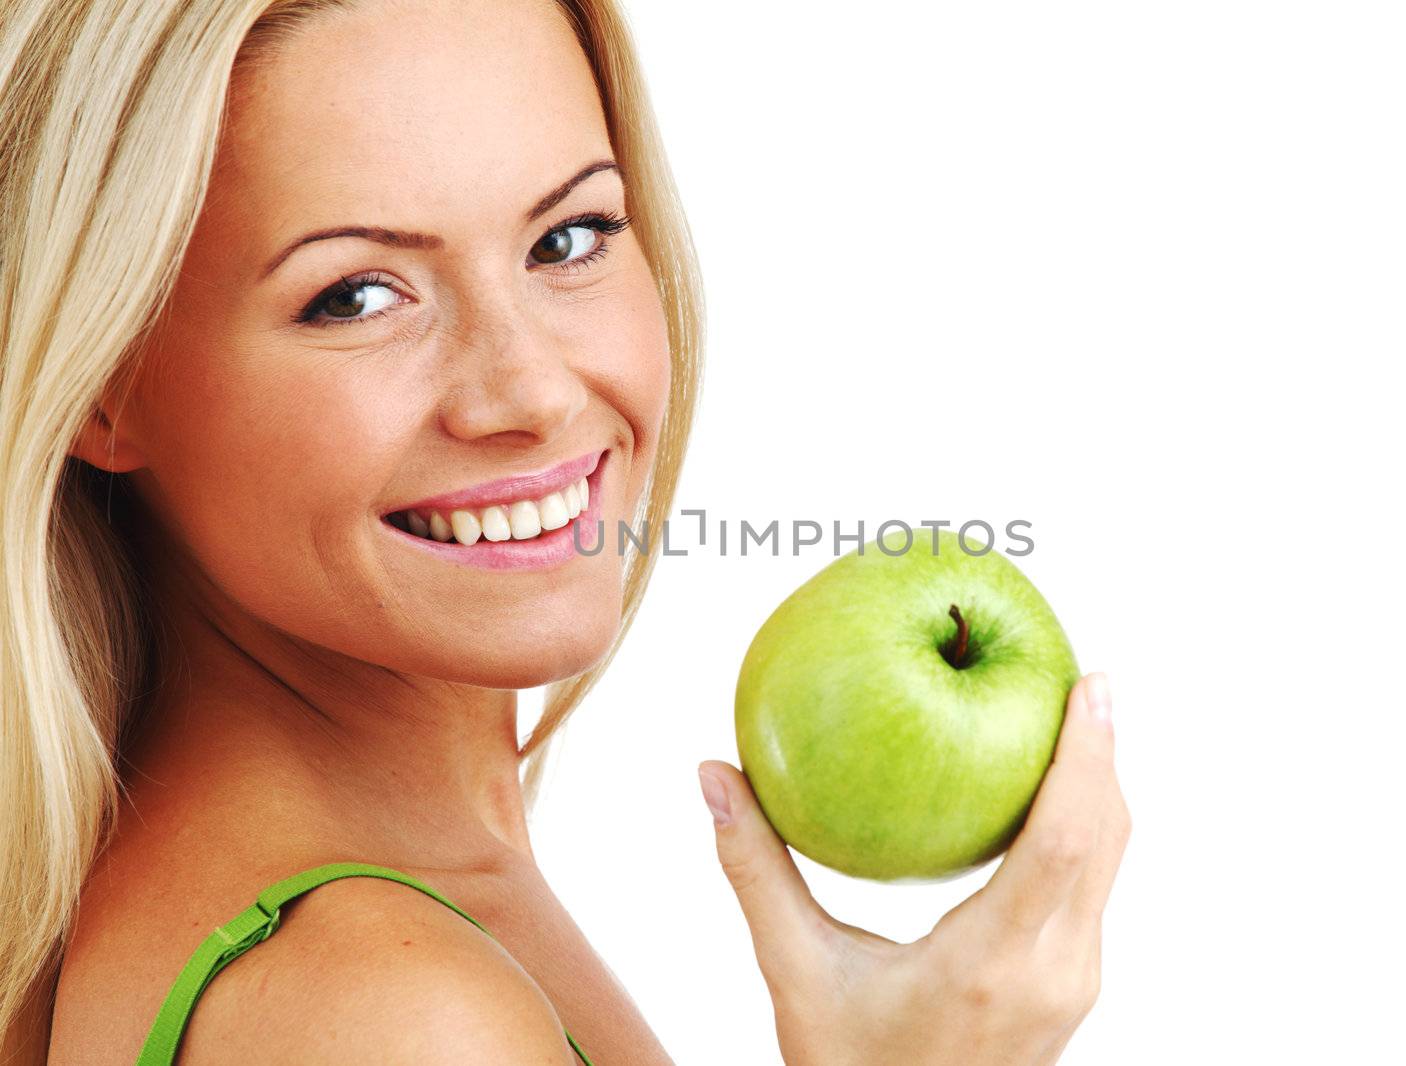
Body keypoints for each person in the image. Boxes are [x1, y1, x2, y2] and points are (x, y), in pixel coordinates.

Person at [0, 1, 1131, 1062]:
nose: (531, 390)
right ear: (104, 383)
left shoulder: (315, 903)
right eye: (356, 295)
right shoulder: (390, 1014)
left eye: (568, 237)